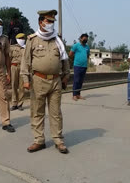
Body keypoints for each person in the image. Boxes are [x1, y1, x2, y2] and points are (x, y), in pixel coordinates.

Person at [21, 10, 70, 154]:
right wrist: (25, 79)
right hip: (38, 80)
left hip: (55, 80)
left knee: (56, 113)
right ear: (40, 22)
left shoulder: (57, 40)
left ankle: (58, 140)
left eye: (52, 21)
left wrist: (66, 75)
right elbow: (26, 62)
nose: (50, 24)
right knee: (37, 111)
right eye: (48, 21)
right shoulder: (32, 39)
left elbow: (64, 59)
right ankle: (39, 140)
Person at [69, 33, 90, 101]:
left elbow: (87, 55)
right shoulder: (76, 45)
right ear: (80, 38)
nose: (85, 40)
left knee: (81, 81)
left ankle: (78, 94)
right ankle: (74, 95)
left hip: (84, 66)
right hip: (77, 66)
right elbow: (70, 54)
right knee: (76, 80)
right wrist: (76, 60)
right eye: (84, 38)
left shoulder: (87, 47)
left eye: (86, 39)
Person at [9, 33, 26, 111]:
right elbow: (8, 58)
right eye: (21, 38)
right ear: (17, 39)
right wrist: (7, 71)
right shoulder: (12, 48)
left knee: (22, 86)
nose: (22, 39)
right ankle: (14, 103)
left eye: (23, 38)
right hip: (14, 67)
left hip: (23, 68)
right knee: (14, 85)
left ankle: (20, 104)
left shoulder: (26, 48)